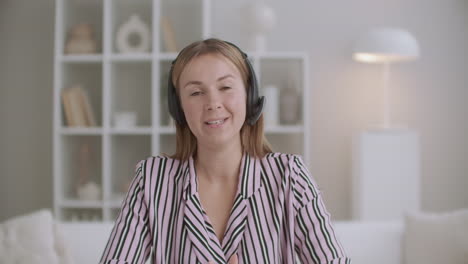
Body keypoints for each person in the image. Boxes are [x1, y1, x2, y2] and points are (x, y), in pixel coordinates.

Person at [100, 38, 351, 264]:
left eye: (226, 87)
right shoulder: (151, 180)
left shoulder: (289, 176)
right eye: (196, 92)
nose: (213, 103)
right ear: (179, 109)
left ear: (249, 96)